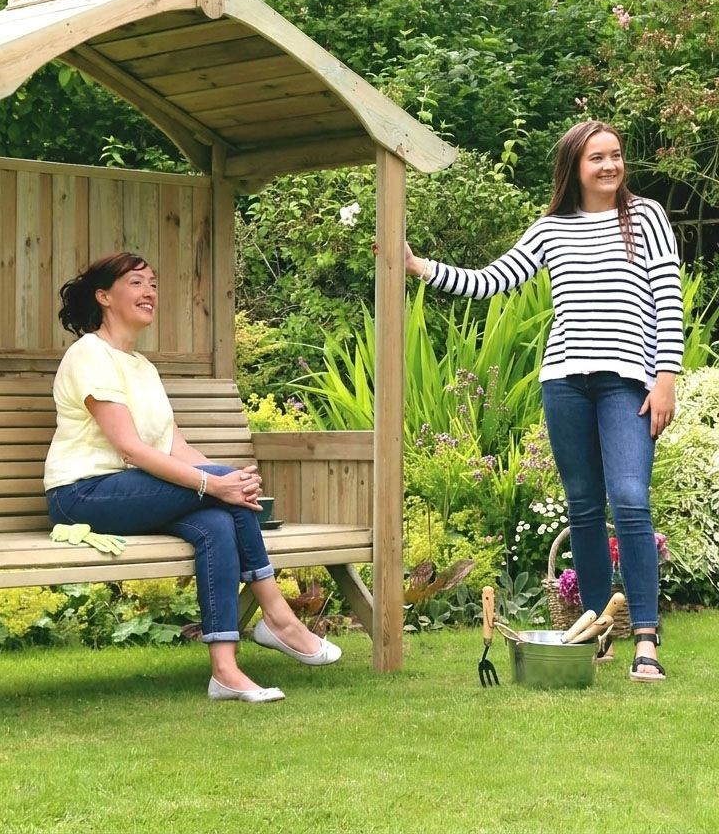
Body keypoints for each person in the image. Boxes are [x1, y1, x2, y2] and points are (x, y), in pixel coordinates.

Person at [403, 121, 682, 682]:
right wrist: (420, 268)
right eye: (597, 158)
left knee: (629, 500)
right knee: (583, 506)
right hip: (564, 383)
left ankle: (645, 638)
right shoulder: (552, 229)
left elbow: (668, 294)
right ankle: (595, 631)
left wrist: (666, 377)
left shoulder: (646, 217)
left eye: (616, 156)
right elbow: (492, 281)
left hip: (629, 381)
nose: (610, 166)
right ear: (574, 167)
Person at [44, 251, 341, 703]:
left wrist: (231, 481)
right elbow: (130, 448)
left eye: (155, 284)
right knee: (220, 493)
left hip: (135, 493)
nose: (150, 293)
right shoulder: (90, 354)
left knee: (218, 522)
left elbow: (176, 448)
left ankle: (225, 671)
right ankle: (278, 618)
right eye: (137, 283)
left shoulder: (142, 368)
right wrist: (213, 483)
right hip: (82, 493)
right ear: (104, 296)